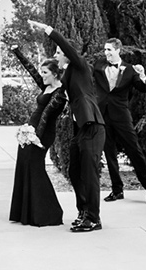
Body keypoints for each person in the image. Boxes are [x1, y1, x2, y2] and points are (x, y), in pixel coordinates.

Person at [28, 20, 105, 233]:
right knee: (74, 171)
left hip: (93, 126)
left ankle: (93, 218)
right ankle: (83, 211)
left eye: (58, 53)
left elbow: (69, 50)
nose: (56, 56)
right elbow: (45, 84)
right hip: (79, 129)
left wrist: (48, 30)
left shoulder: (80, 66)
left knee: (89, 174)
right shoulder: (66, 77)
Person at [93, 38, 146, 204]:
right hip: (103, 115)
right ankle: (117, 190)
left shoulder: (130, 70)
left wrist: (142, 75)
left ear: (117, 50)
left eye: (109, 50)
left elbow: (144, 88)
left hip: (121, 116)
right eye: (105, 50)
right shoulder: (99, 65)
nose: (106, 53)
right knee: (109, 153)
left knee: (134, 150)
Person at [9, 46, 67, 226]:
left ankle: (48, 213)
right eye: (42, 72)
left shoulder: (60, 93)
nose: (42, 75)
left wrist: (35, 136)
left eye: (45, 73)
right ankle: (24, 213)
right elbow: (31, 70)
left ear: (55, 74)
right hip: (30, 131)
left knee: (35, 169)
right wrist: (18, 52)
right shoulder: (47, 86)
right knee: (24, 166)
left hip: (41, 133)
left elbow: (46, 115)